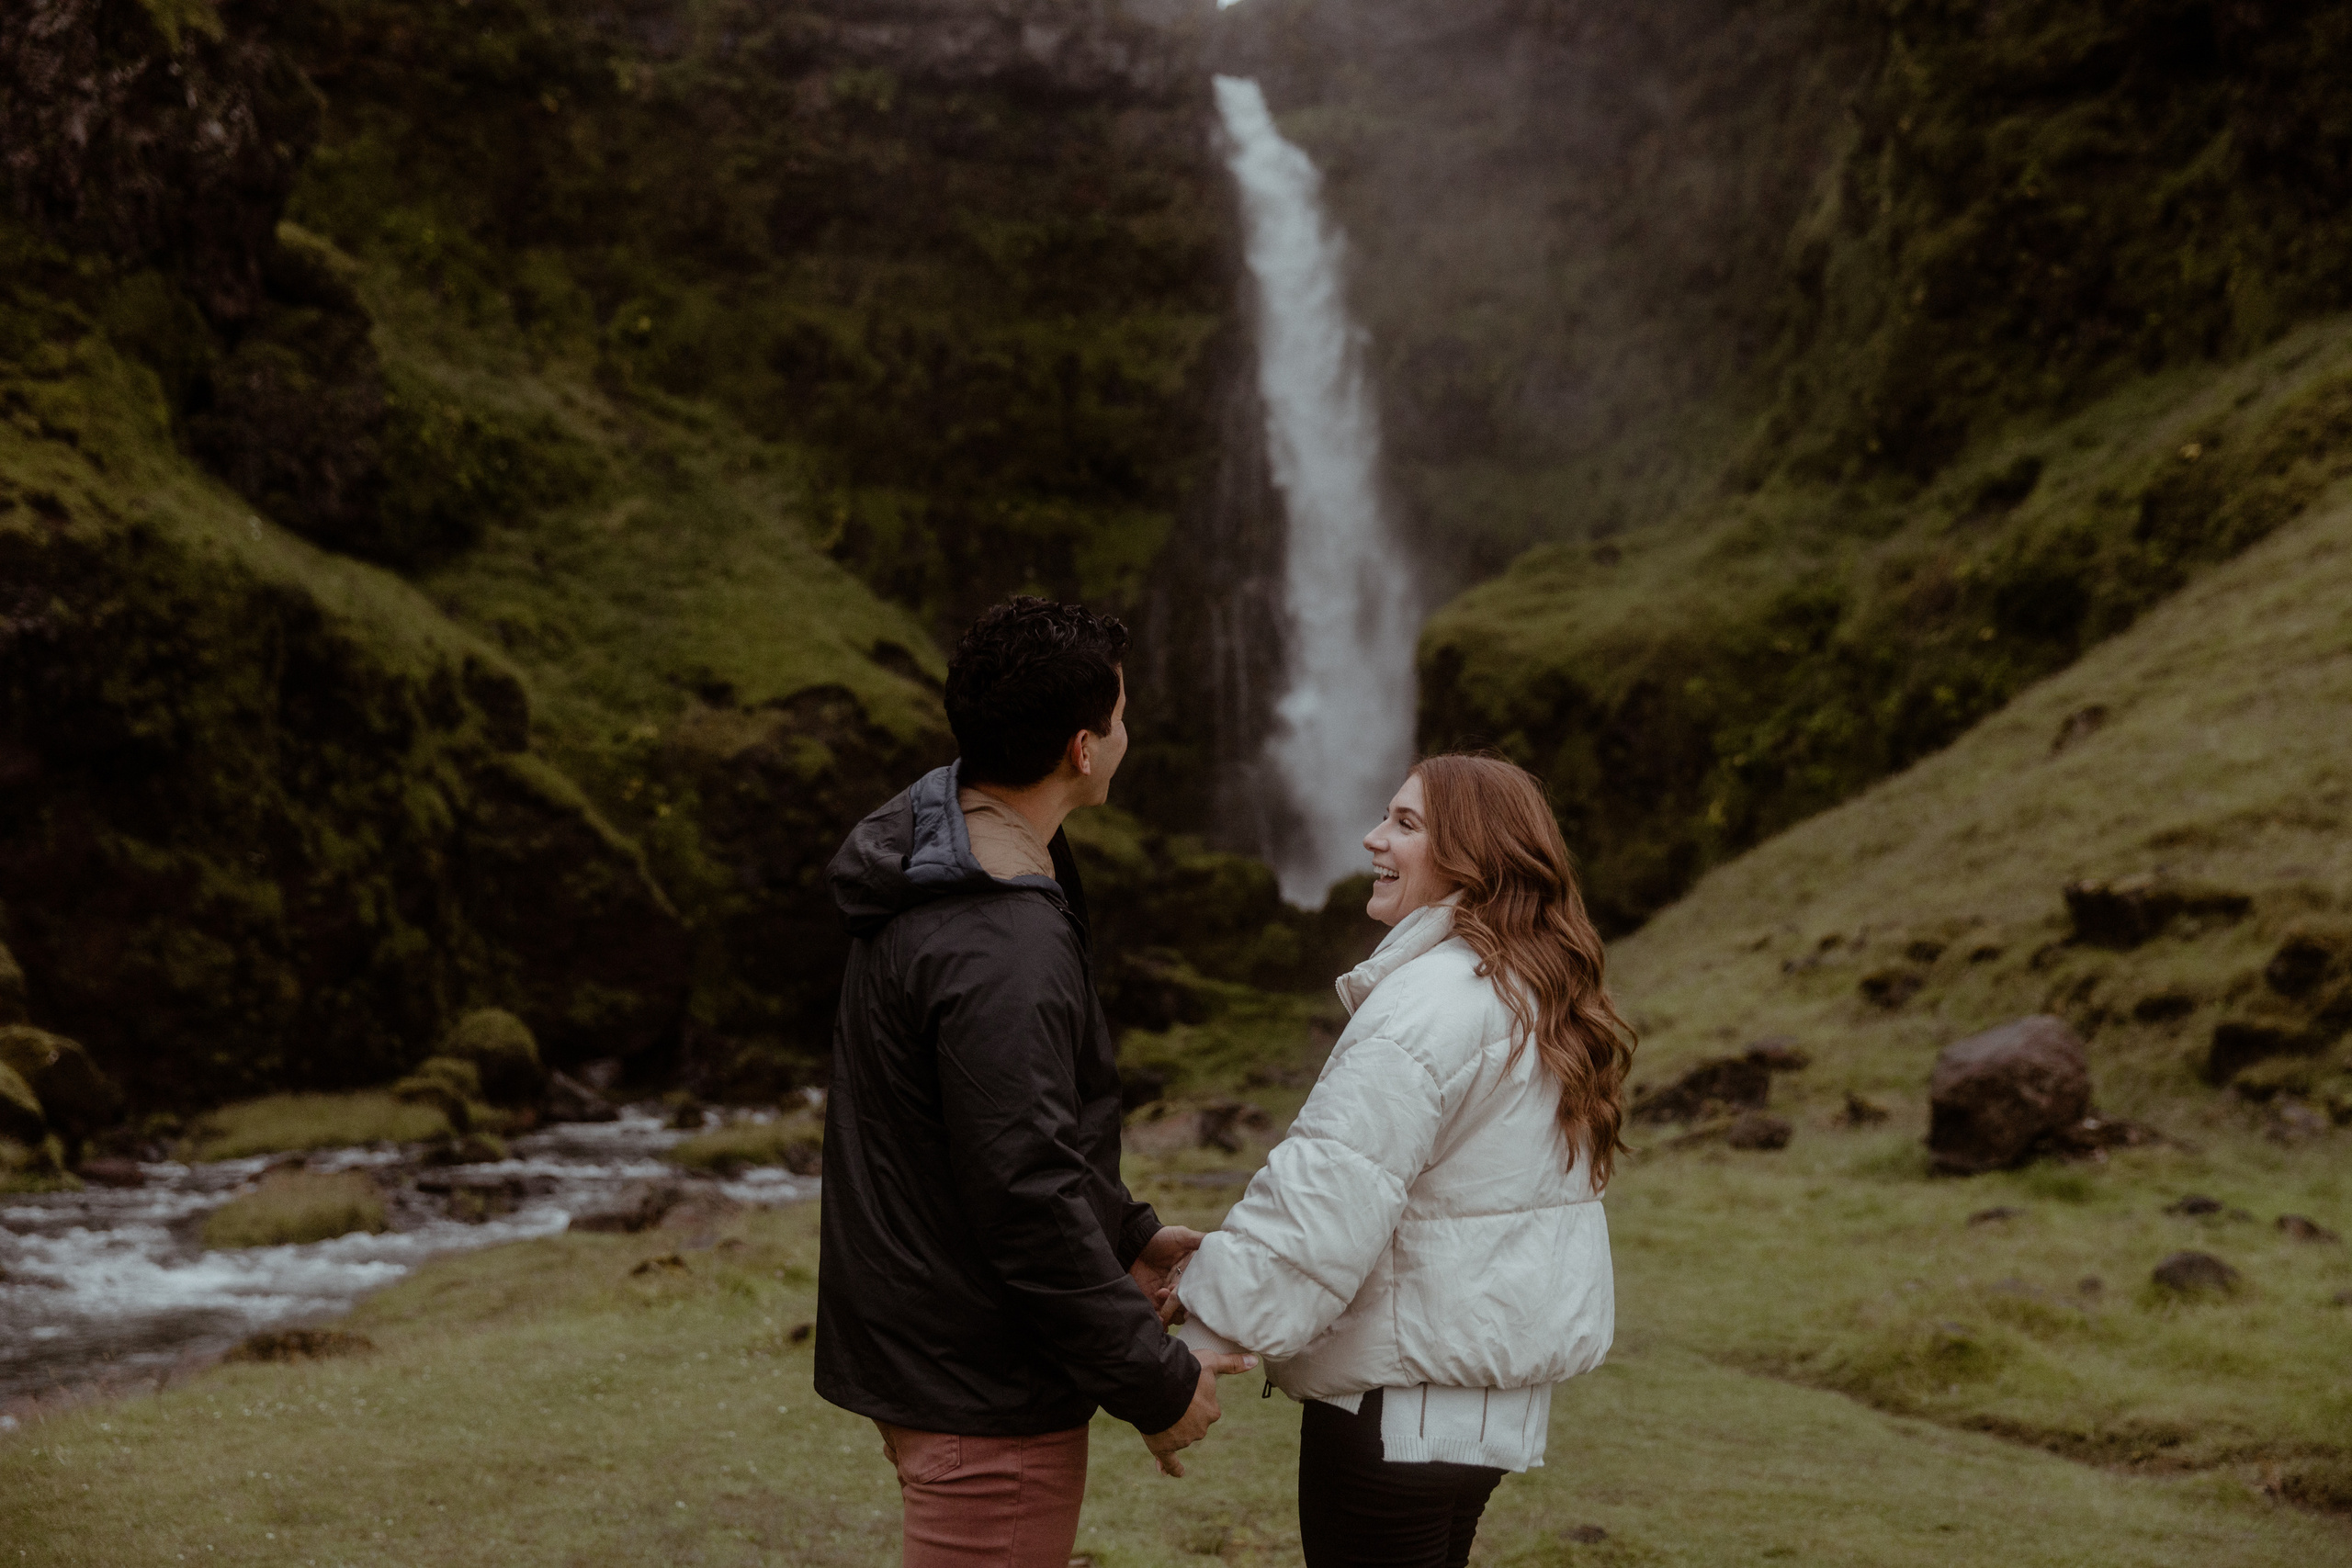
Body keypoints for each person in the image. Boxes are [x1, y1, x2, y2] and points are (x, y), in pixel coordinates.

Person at [815, 596, 1256, 1568]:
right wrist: (1155, 1380)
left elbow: (993, 1128)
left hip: (939, 1351)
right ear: (1082, 749)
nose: (1129, 734)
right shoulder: (998, 935)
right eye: (1123, 716)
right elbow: (1021, 1191)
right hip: (980, 1383)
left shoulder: (941, 858)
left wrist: (1126, 1237)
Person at [1171, 753, 1635, 1568]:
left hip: (1396, 1409)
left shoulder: (1427, 1003)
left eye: (1406, 824)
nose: (1372, 837)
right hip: (1488, 1411)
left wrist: (1204, 1317)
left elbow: (1325, 1194)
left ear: (1475, 856)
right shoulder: (1537, 993)